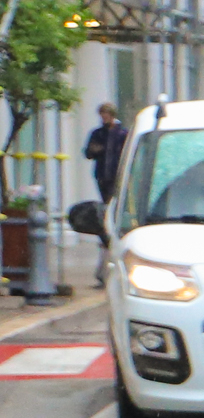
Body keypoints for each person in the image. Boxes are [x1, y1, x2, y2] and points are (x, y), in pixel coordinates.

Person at [83, 102, 126, 286]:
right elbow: (88, 152)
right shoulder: (98, 133)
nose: (104, 118)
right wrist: (95, 150)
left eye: (106, 114)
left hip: (116, 178)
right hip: (103, 177)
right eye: (102, 114)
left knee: (112, 209)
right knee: (105, 208)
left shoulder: (121, 133)